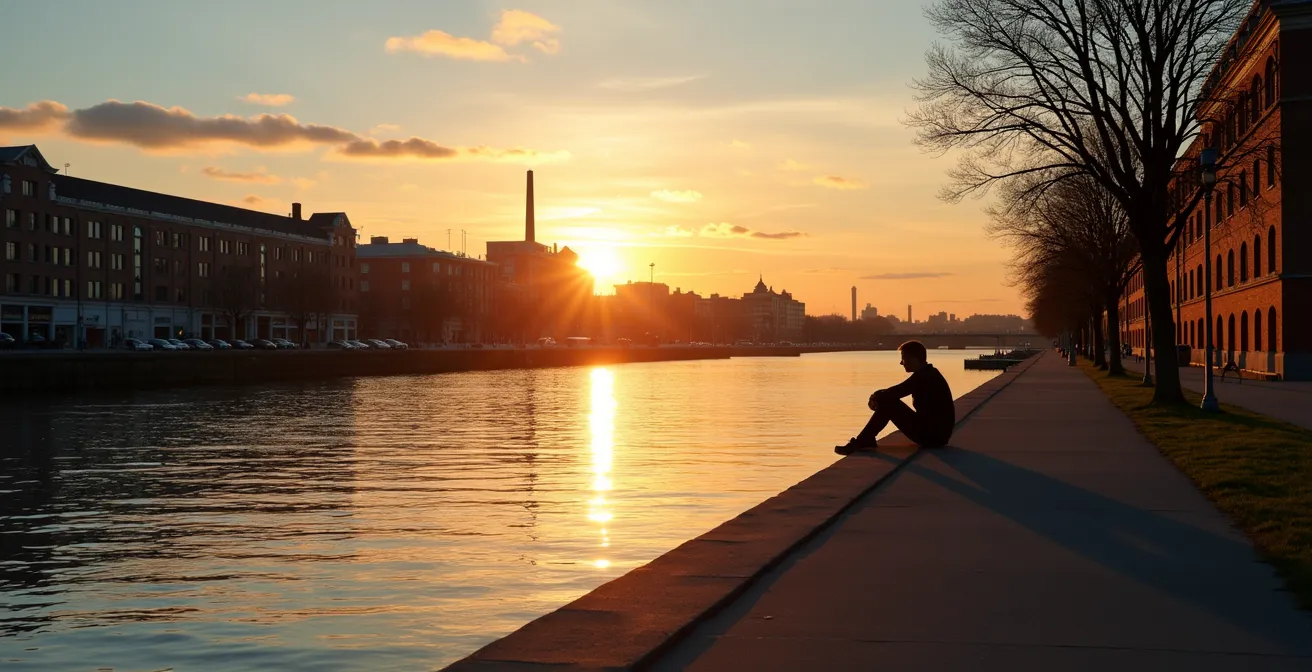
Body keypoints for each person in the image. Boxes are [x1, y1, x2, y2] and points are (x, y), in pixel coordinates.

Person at [835, 340, 955, 454]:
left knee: (889, 403)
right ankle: (866, 439)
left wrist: (876, 396)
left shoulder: (925, 377)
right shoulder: (929, 373)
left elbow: (898, 391)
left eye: (903, 358)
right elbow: (898, 390)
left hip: (932, 437)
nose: (901, 362)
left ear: (913, 359)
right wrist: (879, 395)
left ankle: (864, 440)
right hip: (937, 435)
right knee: (888, 401)